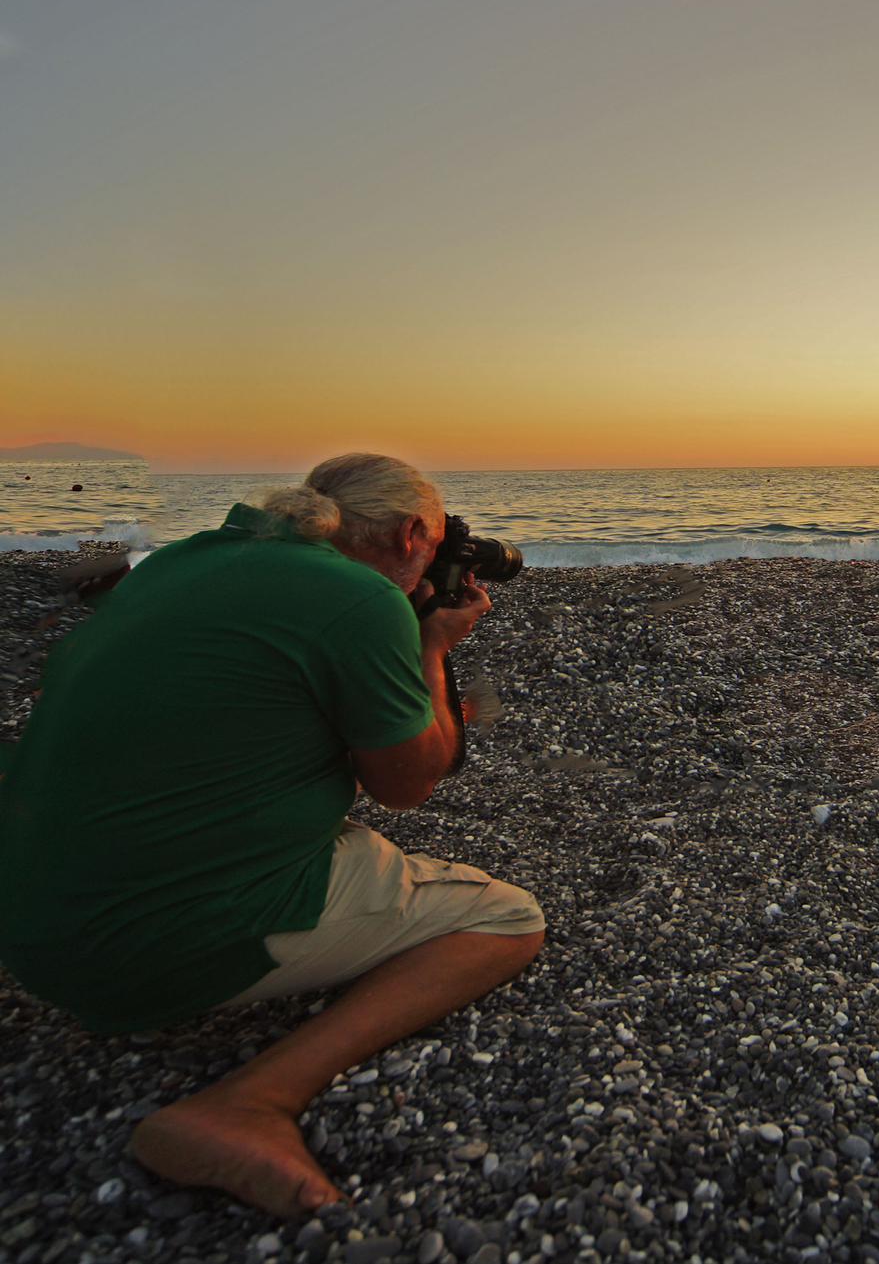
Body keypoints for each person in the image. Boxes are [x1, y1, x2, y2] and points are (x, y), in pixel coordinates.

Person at [0, 453, 544, 1217]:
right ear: (413, 532)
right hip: (134, 951)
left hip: (30, 919)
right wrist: (430, 644)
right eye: (438, 539)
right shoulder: (359, 599)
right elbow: (407, 785)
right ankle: (248, 1102)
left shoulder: (177, 563)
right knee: (507, 917)